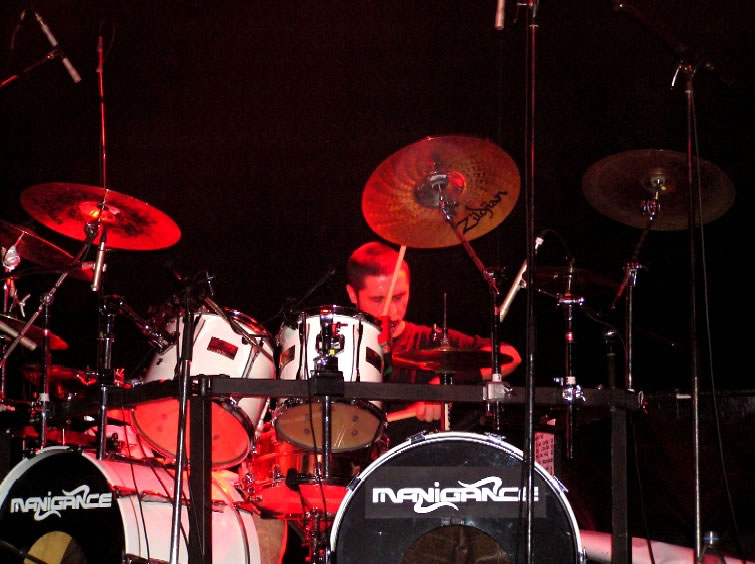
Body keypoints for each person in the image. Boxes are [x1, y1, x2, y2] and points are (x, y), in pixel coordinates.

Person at [346, 241, 521, 443]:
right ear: (352, 294)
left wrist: (445, 384)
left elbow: (510, 356)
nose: (392, 312)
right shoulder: (341, 348)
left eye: (398, 297)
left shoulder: (431, 340)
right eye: (378, 300)